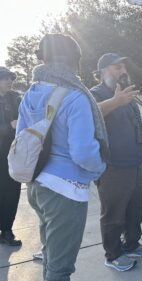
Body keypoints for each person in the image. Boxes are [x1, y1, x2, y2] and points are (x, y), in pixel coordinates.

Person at [18, 33, 107, 281]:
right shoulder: (76, 96)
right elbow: (82, 151)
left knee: (51, 256)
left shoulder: (30, 93)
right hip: (65, 191)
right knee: (60, 268)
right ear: (75, 61)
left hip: (37, 185)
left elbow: (22, 140)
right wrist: (99, 168)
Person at [91, 53, 142, 272]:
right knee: (113, 213)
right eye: (117, 68)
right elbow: (90, 115)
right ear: (103, 71)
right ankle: (113, 254)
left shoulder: (128, 95)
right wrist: (115, 102)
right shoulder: (95, 94)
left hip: (135, 163)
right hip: (112, 166)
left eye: (124, 68)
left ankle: (132, 244)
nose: (123, 71)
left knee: (138, 207)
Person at [0, 67, 22, 246]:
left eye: (10, 78)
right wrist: (9, 126)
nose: (8, 81)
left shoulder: (15, 97)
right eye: (4, 78)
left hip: (14, 154)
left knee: (12, 193)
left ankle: (7, 230)